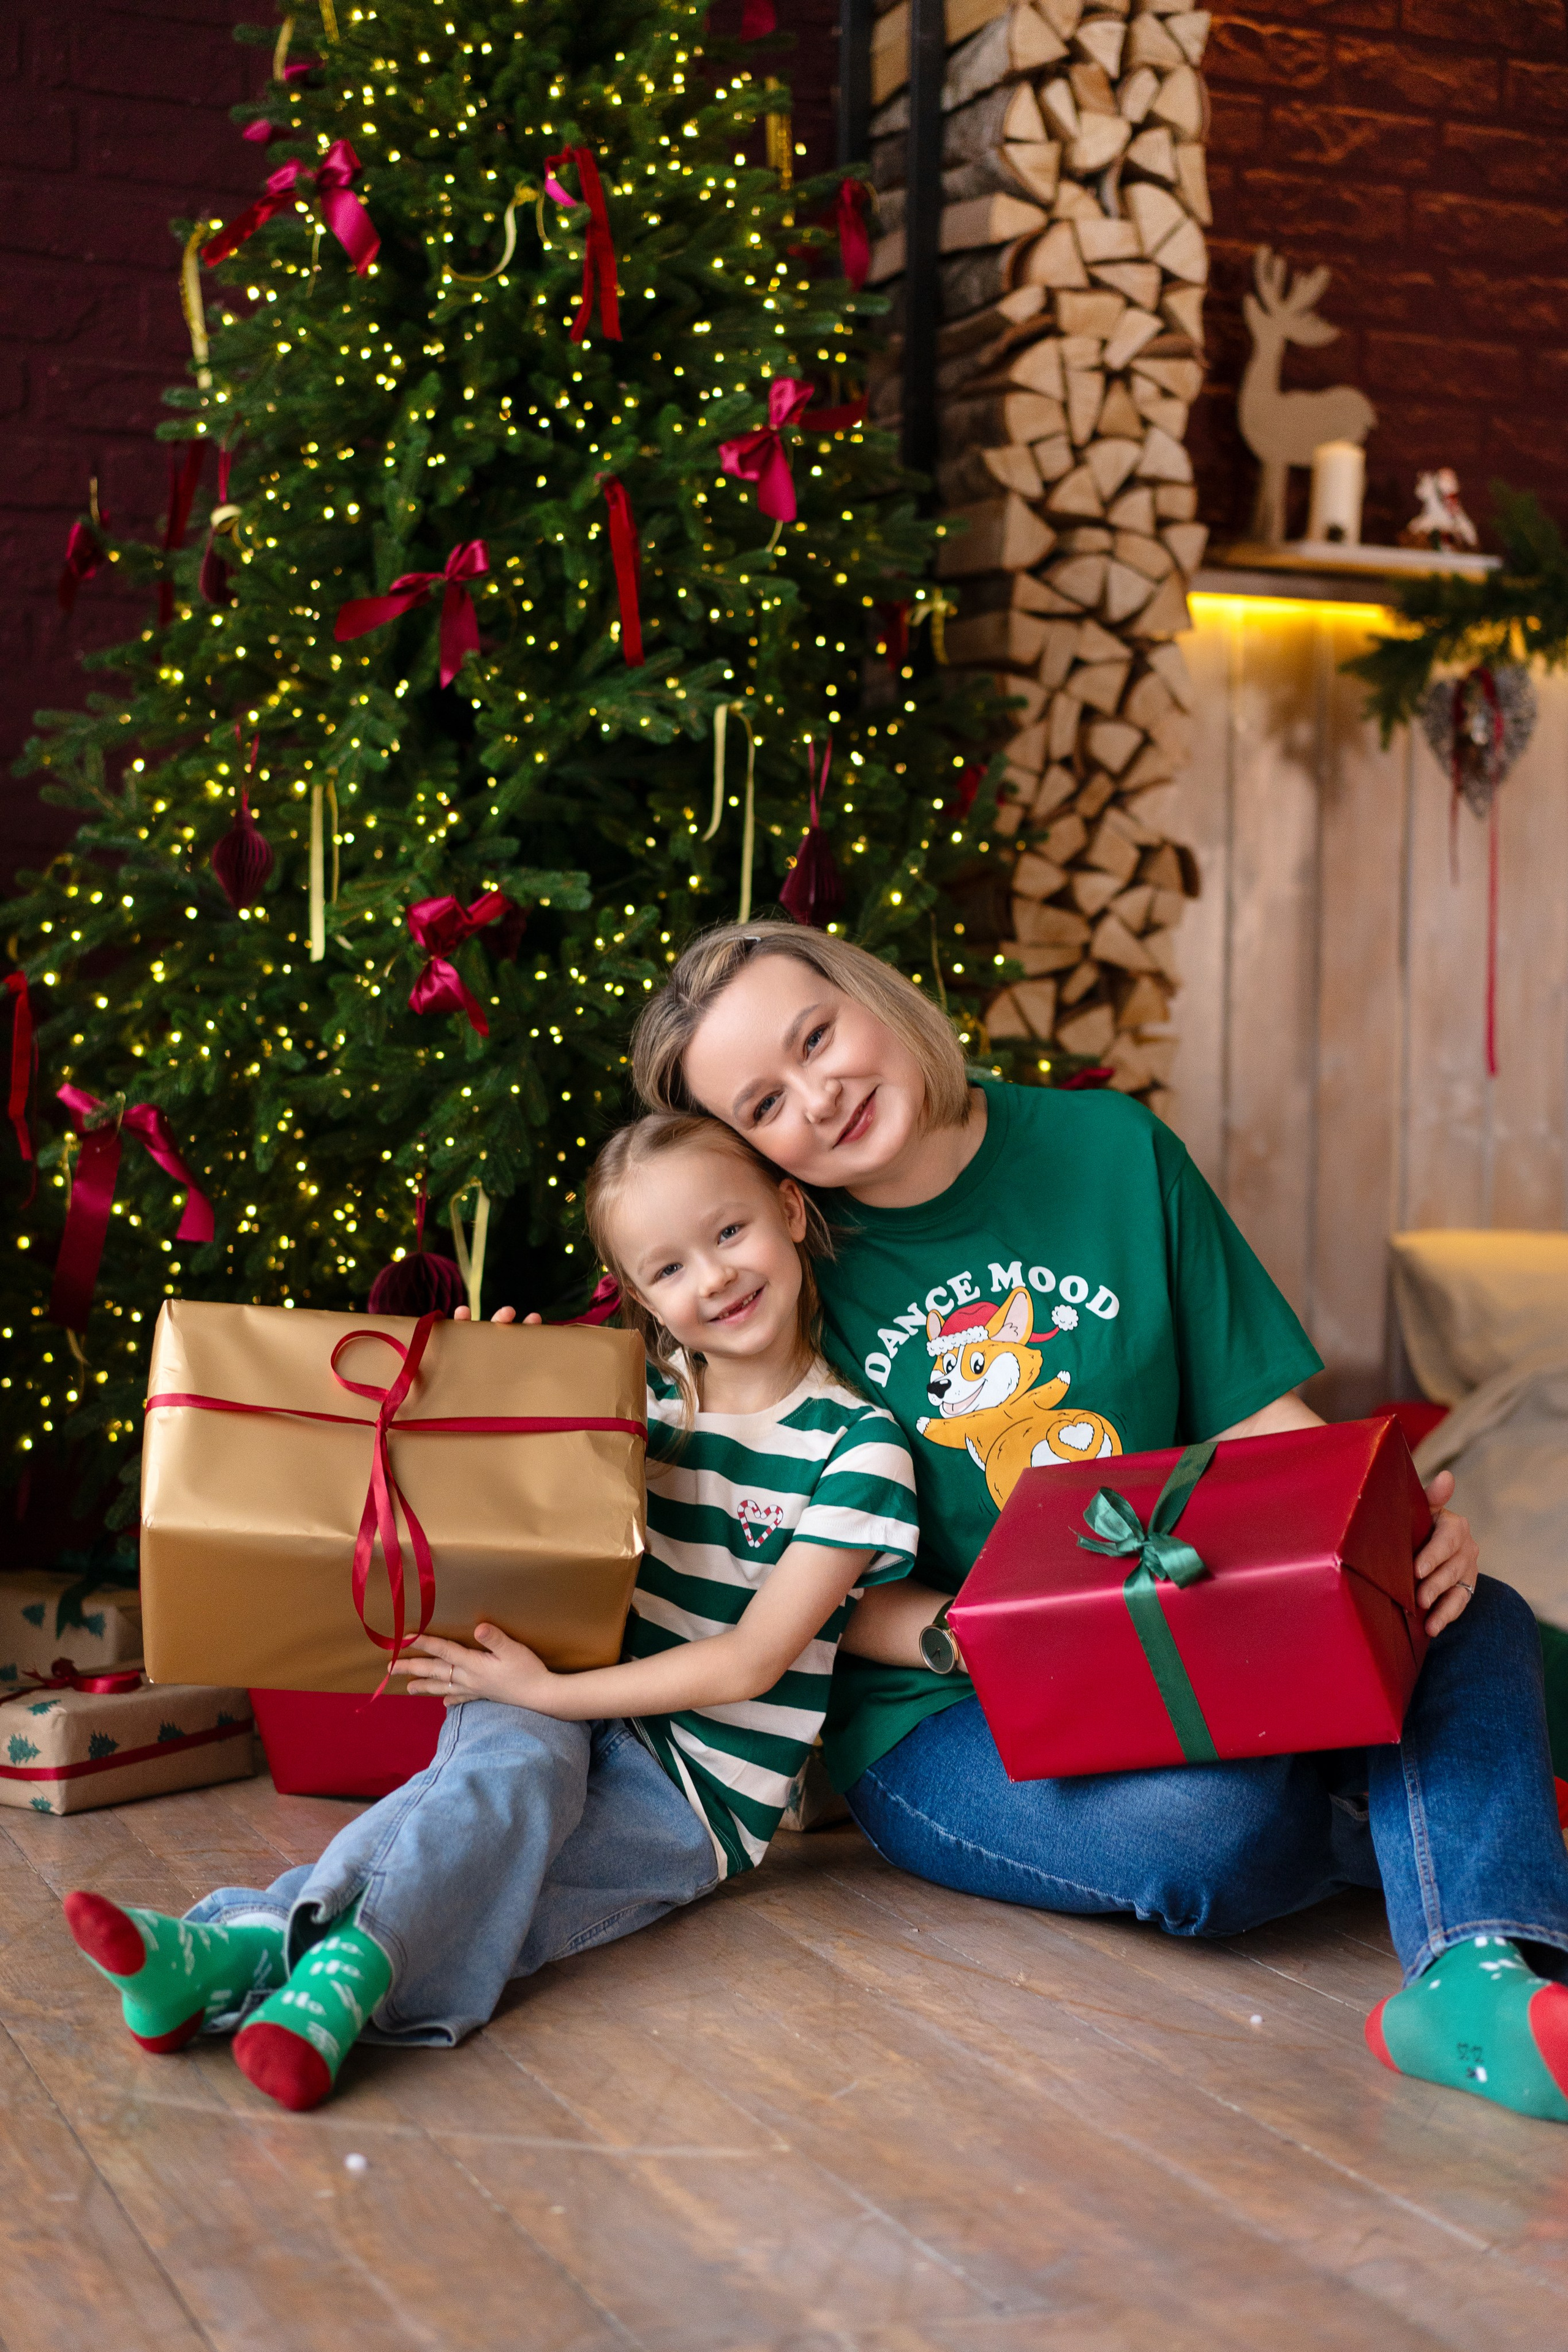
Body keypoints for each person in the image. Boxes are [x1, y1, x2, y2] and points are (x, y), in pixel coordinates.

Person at [628, 918, 1568, 2126]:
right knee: (1209, 1831)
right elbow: (807, 1593)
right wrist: (988, 1639)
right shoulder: (778, 1267)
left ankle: (1476, 1974)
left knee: (1460, 1608)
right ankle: (1451, 1817)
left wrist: (1381, 1537)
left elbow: (1255, 1419)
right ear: (750, 1153)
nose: (817, 1096)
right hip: (943, 1708)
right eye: (764, 1104)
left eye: (817, 1036)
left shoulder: (1111, 1148)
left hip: (1177, 1627)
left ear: (871, 995)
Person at [61, 1112, 918, 2111]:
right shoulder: (628, 1397)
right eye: (671, 1268)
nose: (716, 1278)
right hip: (546, 1687)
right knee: (492, 1788)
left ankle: (248, 1949)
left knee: (502, 1886)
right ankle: (305, 1979)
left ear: (789, 1207)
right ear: (639, 1296)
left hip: (695, 1793)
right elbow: (514, 1517)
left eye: (730, 1234)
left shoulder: (857, 1446)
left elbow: (752, 1664)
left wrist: (555, 1693)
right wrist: (500, 1399)